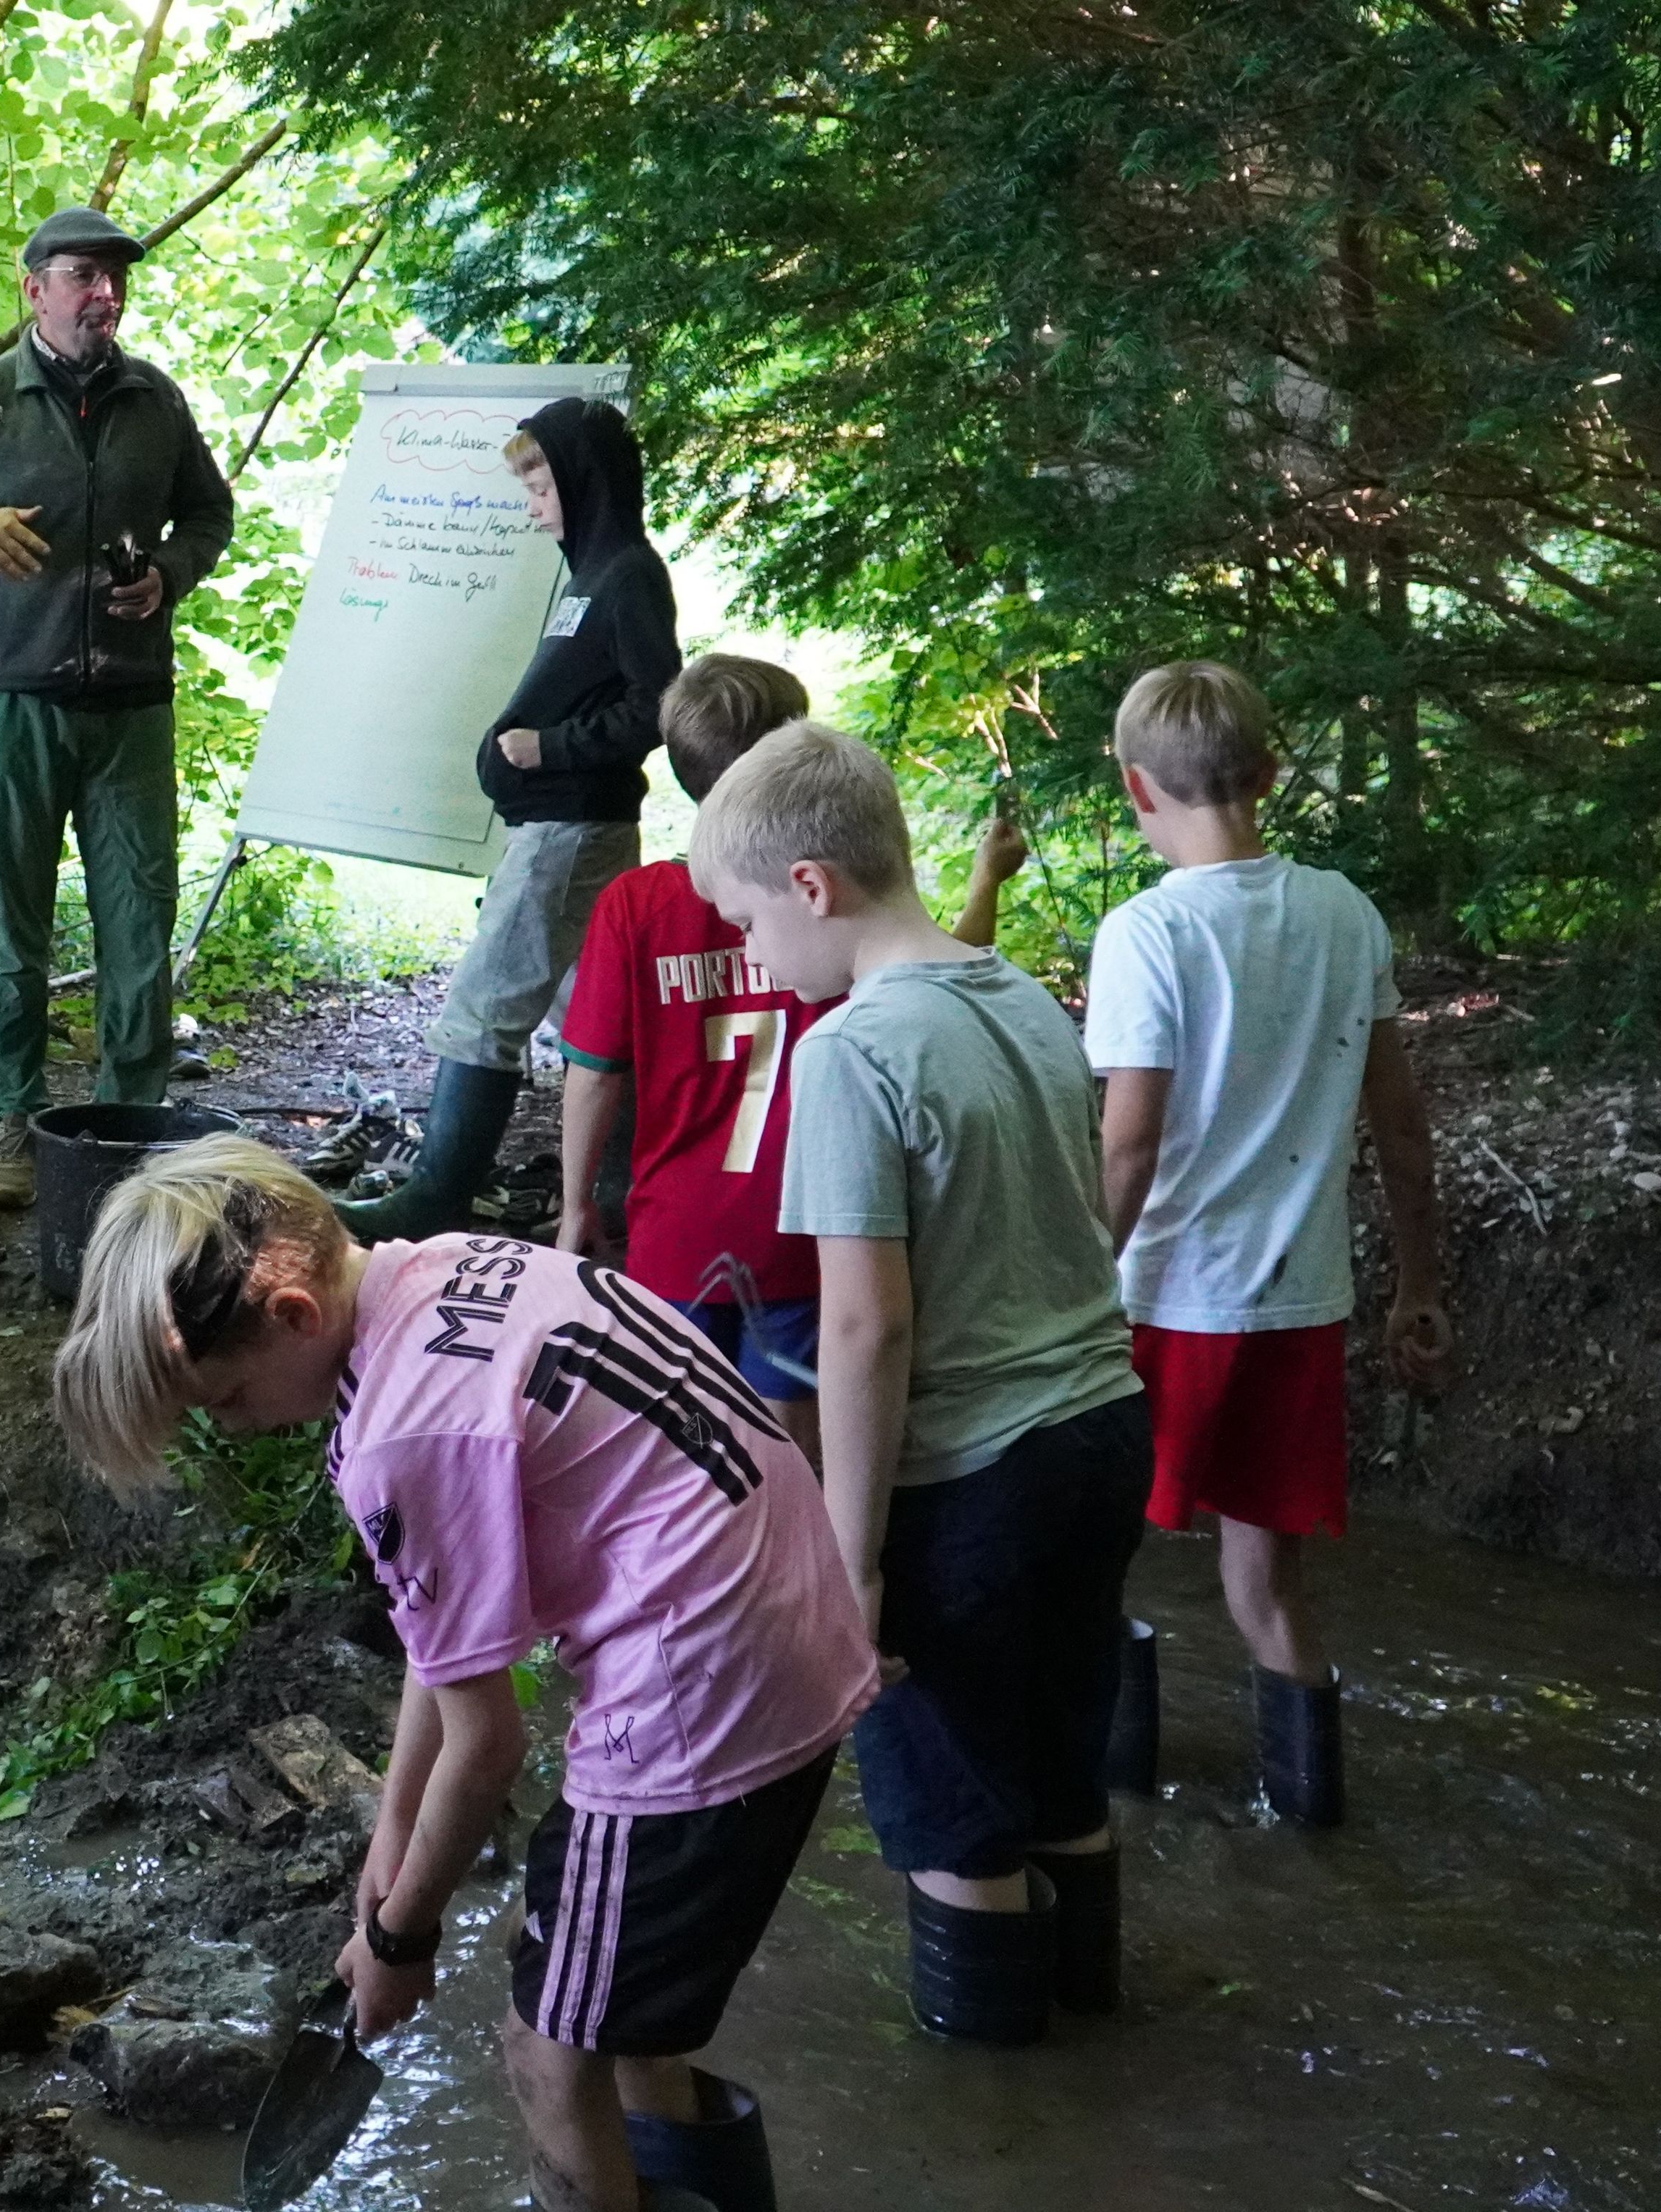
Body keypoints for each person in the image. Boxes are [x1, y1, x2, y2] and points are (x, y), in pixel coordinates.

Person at [53, 1137, 874, 2212]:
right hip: (794, 1630)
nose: (236, 1426)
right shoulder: (438, 1268)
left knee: (546, 2054)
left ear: (294, 1316)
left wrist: (402, 1936)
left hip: (702, 1695)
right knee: (622, 2021)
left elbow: (489, 1741)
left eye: (227, 1400)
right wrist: (391, 1847)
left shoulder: (404, 1431)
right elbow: (443, 1653)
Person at [687, 723, 1149, 2043]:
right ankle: (1101, 2063)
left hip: (974, 1474)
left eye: (752, 927)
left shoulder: (846, 1054)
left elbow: (865, 1328)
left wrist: (852, 1560)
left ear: (815, 886)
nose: (756, 959)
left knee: (953, 1808)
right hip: (1102, 1428)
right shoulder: (1015, 995)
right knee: (1062, 1769)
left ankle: (1005, 2122)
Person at [1085, 661, 1450, 1826]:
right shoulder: (1346, 912)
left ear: (1138, 788)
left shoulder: (1146, 932)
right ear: (1269, 775)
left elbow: (1130, 1146)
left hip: (1167, 1295)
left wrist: (1079, 1280)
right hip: (1303, 1296)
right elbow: (1399, 1119)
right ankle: (1307, 1813)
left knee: (1097, 1558)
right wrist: (1418, 1281)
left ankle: (1115, 1802)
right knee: (1270, 1584)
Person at [556, 657, 1030, 1457]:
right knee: (799, 1466)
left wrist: (576, 1204)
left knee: (685, 1465)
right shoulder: (831, 904)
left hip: (680, 1238)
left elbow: (594, 1072)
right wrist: (986, 880)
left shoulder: (635, 906)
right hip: (815, 1230)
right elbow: (941, 974)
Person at [0, 207, 236, 1208]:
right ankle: (13, 1122)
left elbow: (210, 512)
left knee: (139, 919)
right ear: (34, 289)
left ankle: (133, 1126)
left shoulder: (155, 400)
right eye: (82, 276)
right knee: (9, 926)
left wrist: (168, 572)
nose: (104, 294)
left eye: (115, 279)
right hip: (14, 701)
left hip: (132, 704)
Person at [335, 397, 682, 1242]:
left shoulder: (629, 574)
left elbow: (658, 706)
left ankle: (436, 1195)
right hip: (557, 828)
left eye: (540, 486)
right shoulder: (592, 572)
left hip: (572, 830)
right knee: (591, 1011)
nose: (532, 507)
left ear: (583, 478)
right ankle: (617, 1196)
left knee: (487, 1004)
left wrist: (550, 749)